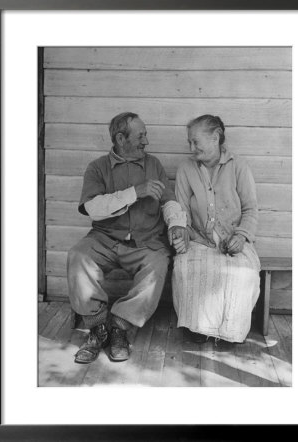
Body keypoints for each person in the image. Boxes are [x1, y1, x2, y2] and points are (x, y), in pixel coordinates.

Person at [67, 112, 187, 363]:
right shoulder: (97, 168)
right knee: (78, 256)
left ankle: (120, 327)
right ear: (121, 138)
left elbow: (169, 202)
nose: (146, 141)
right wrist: (135, 192)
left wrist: (177, 225)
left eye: (146, 134)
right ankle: (97, 328)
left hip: (146, 242)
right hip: (104, 239)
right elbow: (93, 208)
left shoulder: (153, 164)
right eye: (141, 135)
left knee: (157, 266)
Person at [171, 115, 261, 344]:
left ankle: (231, 332)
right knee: (185, 269)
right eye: (189, 143)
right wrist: (180, 233)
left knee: (243, 273)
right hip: (199, 240)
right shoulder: (185, 169)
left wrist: (241, 236)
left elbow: (251, 209)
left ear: (215, 137)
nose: (191, 148)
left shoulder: (239, 167)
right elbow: (181, 213)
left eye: (195, 142)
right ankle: (198, 328)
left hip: (234, 240)